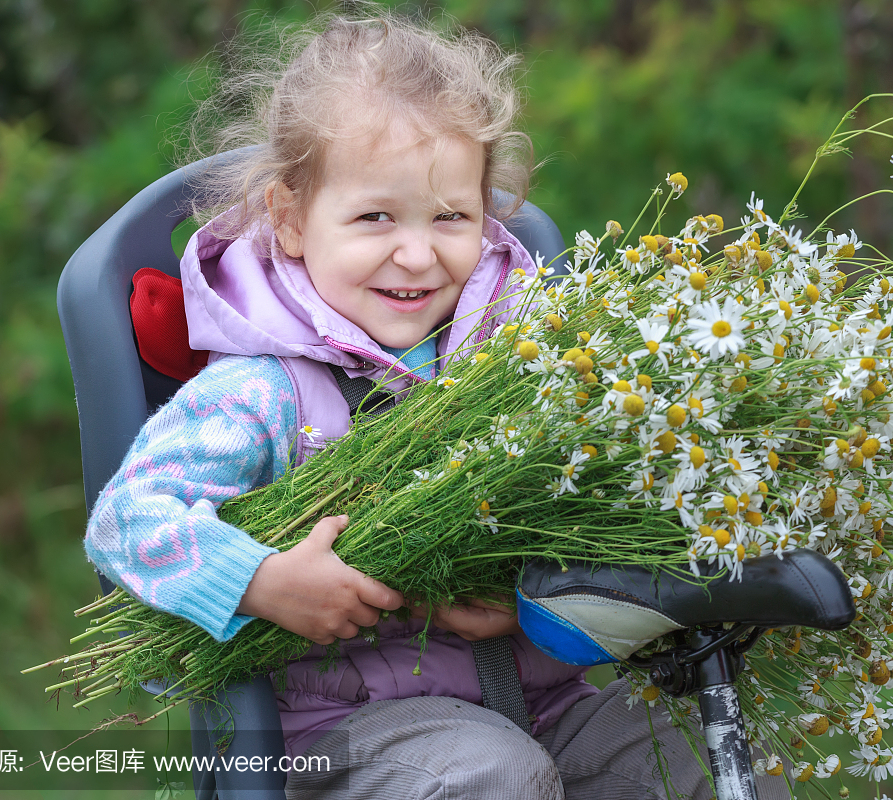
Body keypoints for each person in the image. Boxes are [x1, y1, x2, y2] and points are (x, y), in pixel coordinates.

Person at [85, 8, 788, 799]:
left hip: (548, 702)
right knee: (493, 775)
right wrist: (262, 581)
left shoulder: (520, 363)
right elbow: (126, 519)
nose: (416, 253)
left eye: (450, 216)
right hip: (349, 730)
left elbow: (582, 514)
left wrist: (524, 595)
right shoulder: (260, 391)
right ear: (288, 218)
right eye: (374, 217)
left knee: (706, 759)